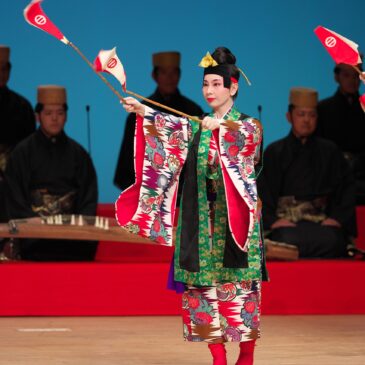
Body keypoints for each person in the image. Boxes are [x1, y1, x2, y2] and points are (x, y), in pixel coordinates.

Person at [116, 47, 267, 365]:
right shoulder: (197, 127)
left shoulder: (249, 126)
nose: (209, 91)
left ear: (233, 87)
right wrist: (142, 111)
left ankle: (247, 354)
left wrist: (223, 129)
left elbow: (248, 143)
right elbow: (171, 129)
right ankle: (217, 356)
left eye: (216, 84)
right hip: (201, 220)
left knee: (239, 289)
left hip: (235, 223)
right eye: (206, 85)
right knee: (203, 290)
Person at [258, 87, 357, 258]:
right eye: (301, 115)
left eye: (311, 115)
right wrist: (273, 221)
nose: (306, 120)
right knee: (284, 239)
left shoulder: (330, 151)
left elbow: (347, 188)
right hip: (286, 223)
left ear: (317, 118)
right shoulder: (275, 152)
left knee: (334, 240)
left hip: (321, 222)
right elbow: (262, 192)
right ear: (289, 117)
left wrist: (337, 219)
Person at [4, 85, 98, 261]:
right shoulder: (22, 153)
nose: (54, 119)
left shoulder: (79, 155)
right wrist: (37, 228)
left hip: (71, 238)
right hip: (33, 239)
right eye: (48, 113)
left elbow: (88, 199)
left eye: (60, 113)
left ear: (66, 116)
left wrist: (77, 228)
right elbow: (15, 196)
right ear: (37, 116)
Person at [114, 51, 204, 192]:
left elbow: (200, 160)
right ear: (154, 76)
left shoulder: (193, 112)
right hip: (148, 195)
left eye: (173, 73)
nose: (169, 78)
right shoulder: (139, 112)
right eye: (164, 73)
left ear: (179, 75)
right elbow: (127, 164)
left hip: (184, 196)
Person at [316, 63, 365, 204]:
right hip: (332, 178)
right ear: (336, 77)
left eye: (356, 76)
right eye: (346, 75)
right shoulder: (322, 109)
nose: (352, 80)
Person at [0, 45, 36, 222]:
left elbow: (31, 156)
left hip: (13, 195)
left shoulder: (22, 107)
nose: (1, 73)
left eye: (4, 68)